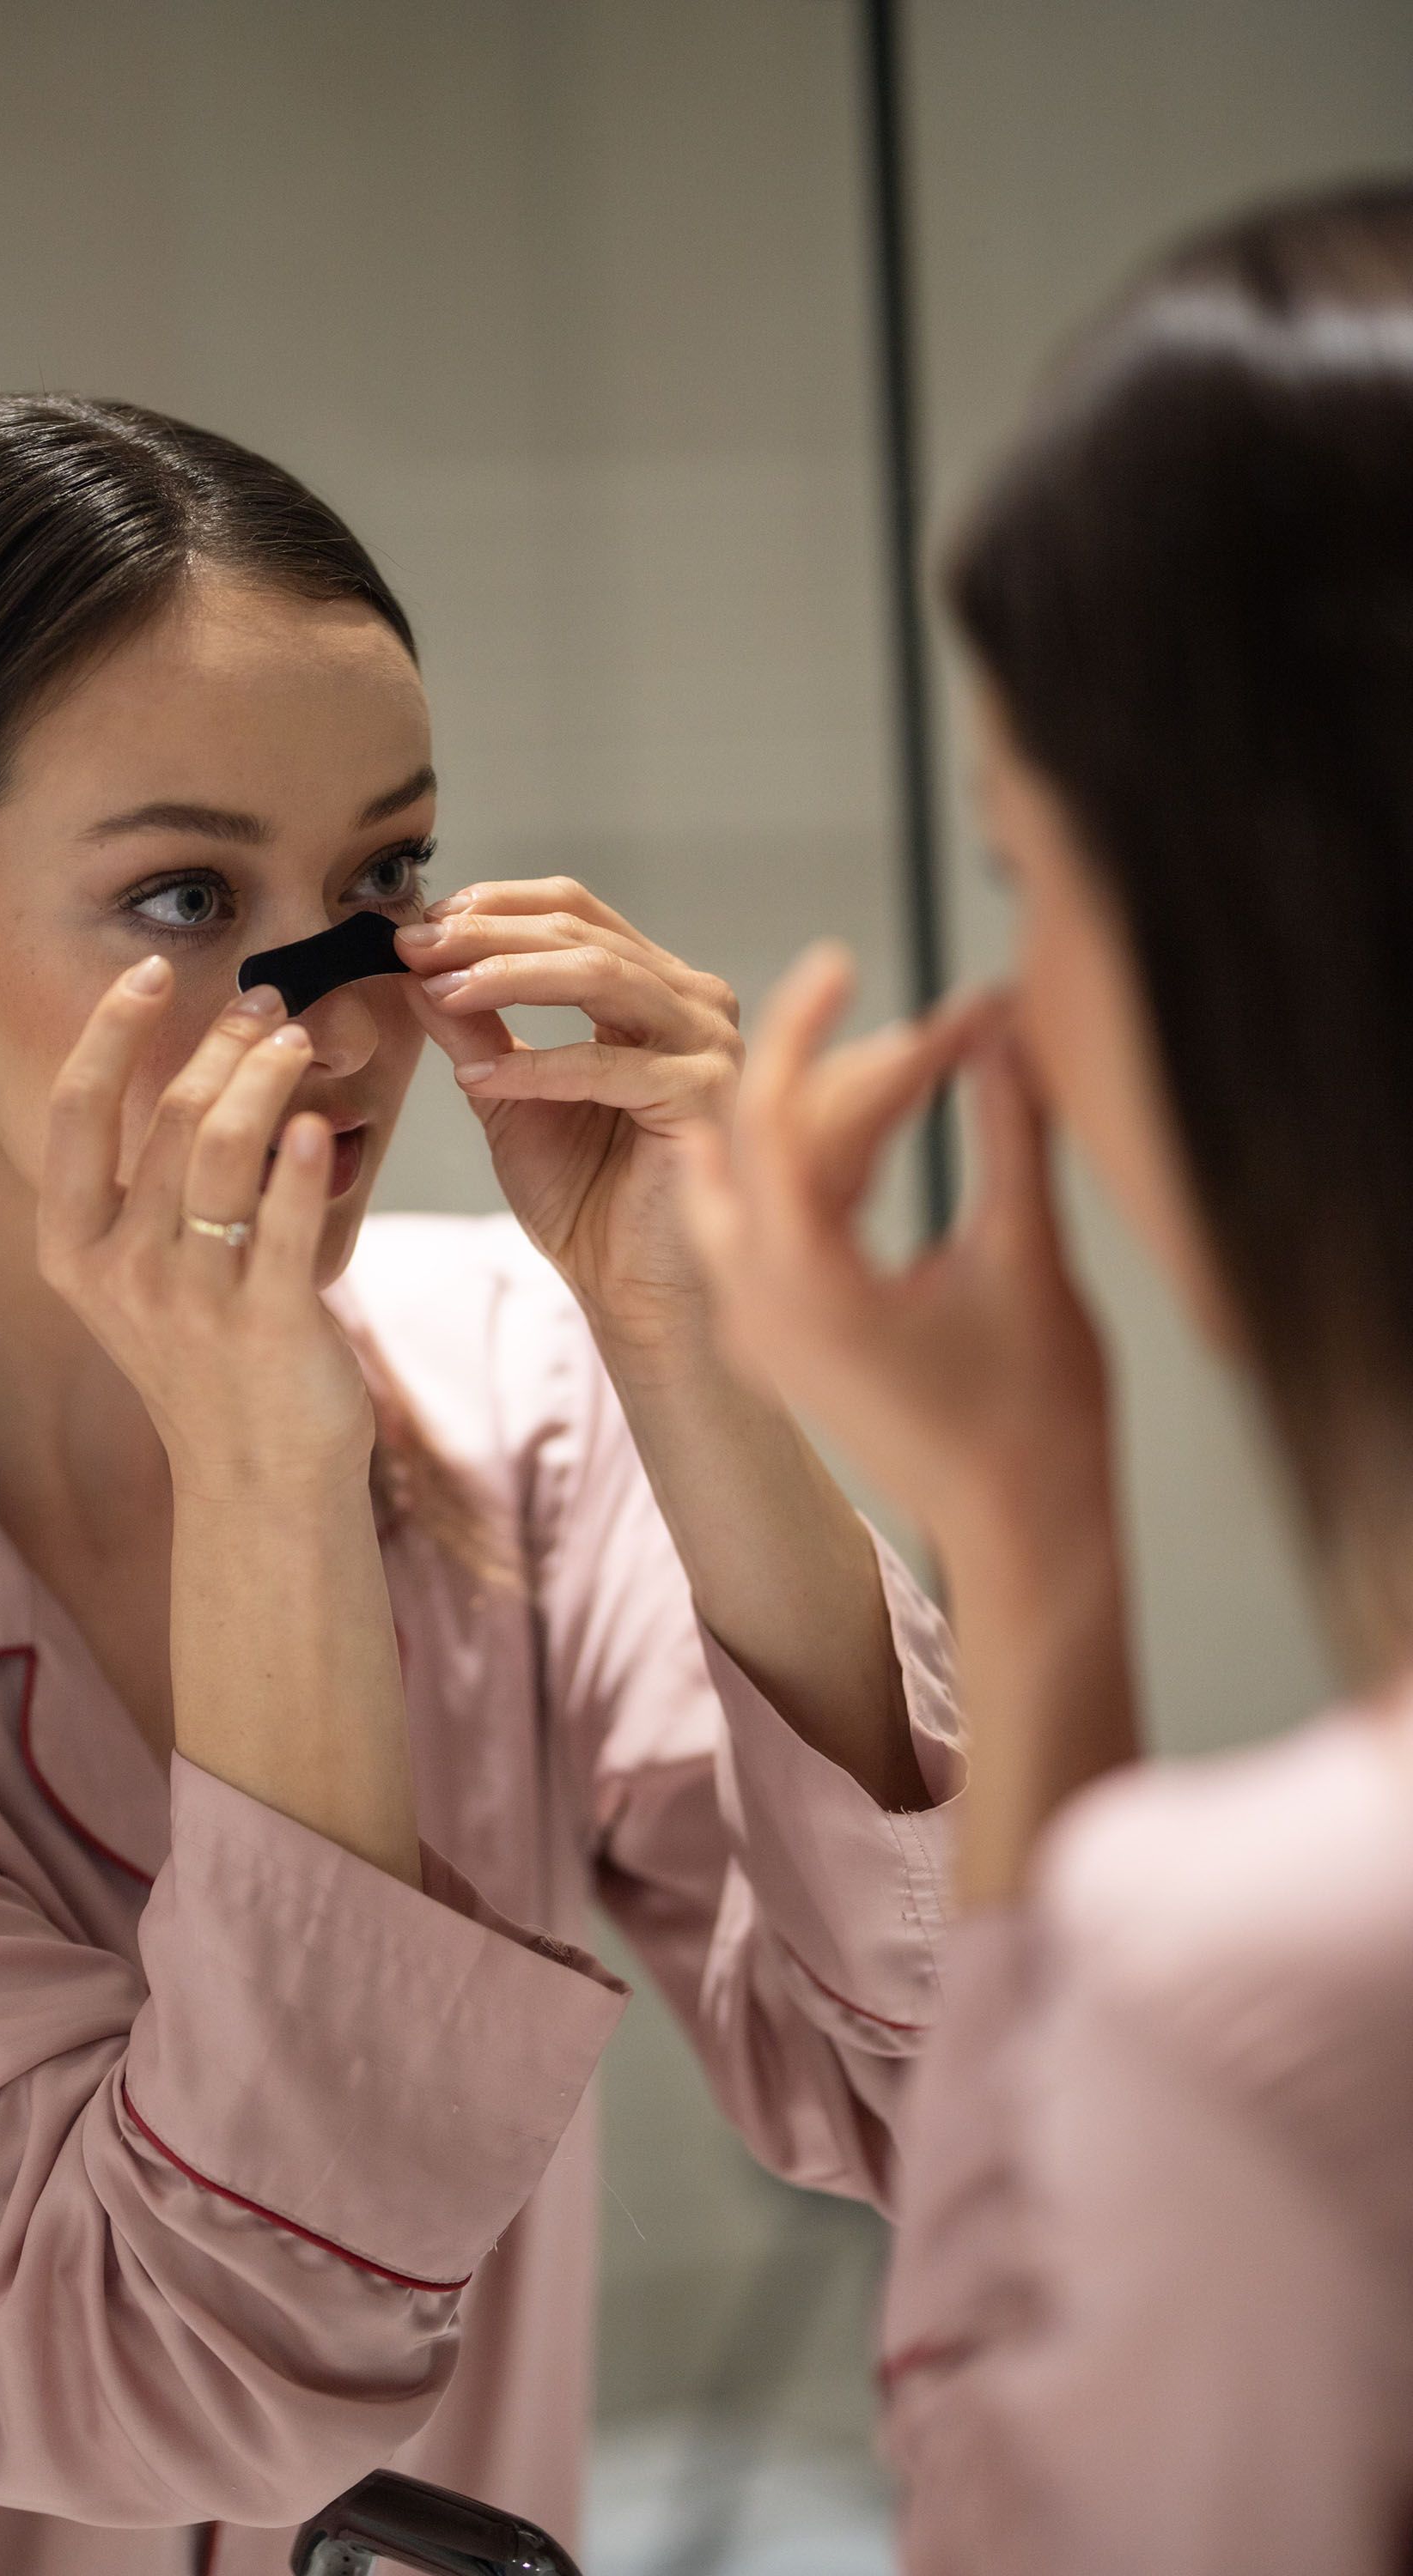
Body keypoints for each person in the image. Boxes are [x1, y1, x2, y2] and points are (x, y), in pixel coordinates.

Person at [0, 395, 961, 2576]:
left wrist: (690, 1346)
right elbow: (188, 2362)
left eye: (379, 883)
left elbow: (963, 2104)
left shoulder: (518, 1380)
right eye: (180, 896)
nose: (345, 1028)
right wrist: (267, 1480)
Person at [683, 179, 1413, 2574]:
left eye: (1020, 867)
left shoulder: (1270, 1983)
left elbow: (1010, 2491)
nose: (1005, 1005)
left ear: (1247, 940)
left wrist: (1025, 1544)